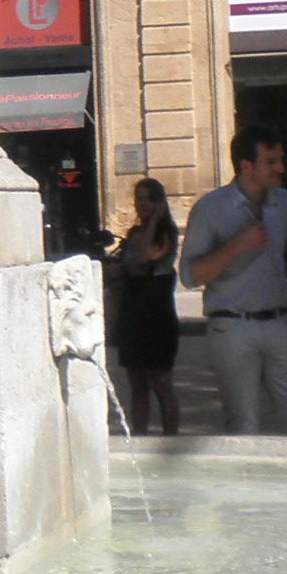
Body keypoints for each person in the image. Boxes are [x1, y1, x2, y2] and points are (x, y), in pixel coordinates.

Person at [180, 125, 287, 437]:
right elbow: (189, 276)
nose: (281, 168)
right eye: (271, 161)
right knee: (243, 425)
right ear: (246, 166)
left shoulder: (284, 203)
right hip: (231, 325)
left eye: (280, 159)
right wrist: (237, 245)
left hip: (280, 321)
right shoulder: (210, 208)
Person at [112, 179, 182, 435]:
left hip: (158, 318)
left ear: (159, 202)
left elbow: (146, 256)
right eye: (139, 199)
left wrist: (154, 221)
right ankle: (140, 439)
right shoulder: (132, 235)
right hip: (133, 318)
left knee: (162, 384)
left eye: (148, 199)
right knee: (137, 387)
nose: (142, 204)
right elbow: (127, 265)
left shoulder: (167, 234)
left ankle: (170, 439)